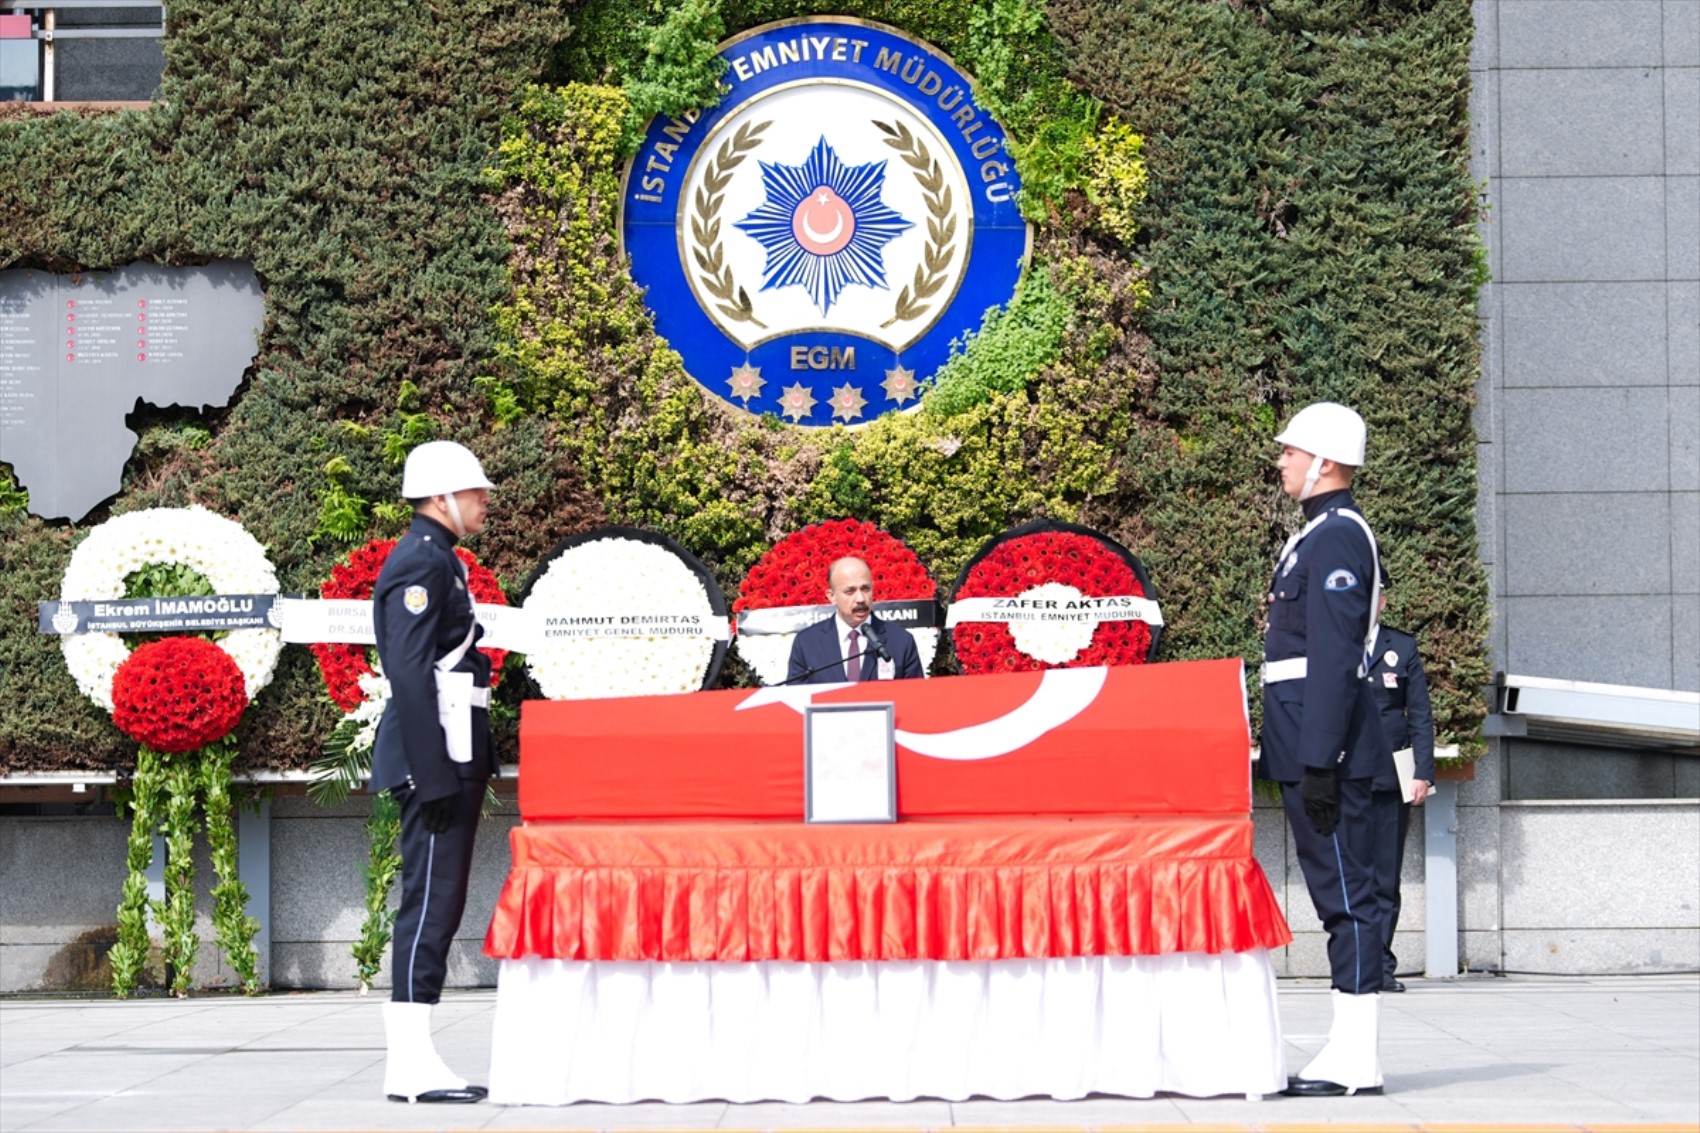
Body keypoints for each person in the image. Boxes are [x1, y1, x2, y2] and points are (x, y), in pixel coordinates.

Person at [1258, 402, 1396, 1098]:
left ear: (1326, 462)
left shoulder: (1339, 538)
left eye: (1291, 449)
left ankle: (1357, 1056)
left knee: (1350, 899)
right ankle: (1345, 1049)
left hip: (1331, 754)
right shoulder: (1314, 536)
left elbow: (1335, 658)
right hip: (1307, 745)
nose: (1281, 458)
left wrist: (1319, 759)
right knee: (1336, 898)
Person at [371, 440, 497, 1105]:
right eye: (474, 491)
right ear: (441, 497)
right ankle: (410, 1065)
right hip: (436, 757)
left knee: (440, 903)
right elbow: (412, 674)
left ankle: (418, 1058)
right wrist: (436, 773)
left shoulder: (440, 560)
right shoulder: (420, 562)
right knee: (428, 903)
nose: (483, 501)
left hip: (452, 748)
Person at [1368, 563, 1436, 994]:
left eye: (1375, 595)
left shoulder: (1401, 646)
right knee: (1351, 874)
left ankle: (1381, 964)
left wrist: (1422, 774)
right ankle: (1355, 960)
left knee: (1385, 876)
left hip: (1392, 777)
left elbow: (1420, 716)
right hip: (1345, 777)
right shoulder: (1335, 645)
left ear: (1384, 601)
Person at [786, 555, 924, 684]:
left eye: (865, 589)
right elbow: (796, 700)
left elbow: (914, 700)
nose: (861, 599)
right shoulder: (806, 643)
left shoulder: (901, 641)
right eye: (850, 591)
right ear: (831, 596)